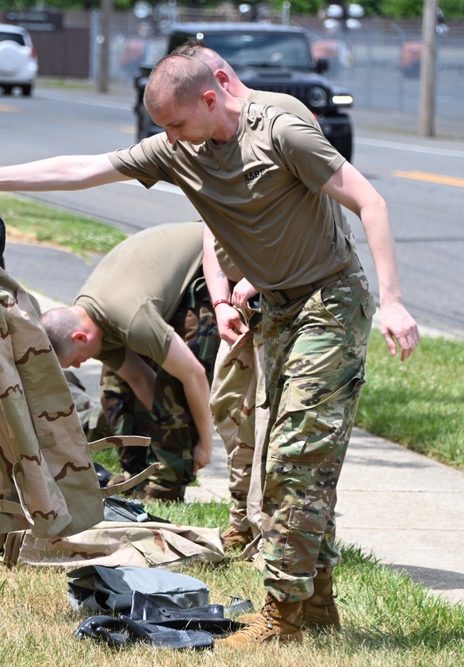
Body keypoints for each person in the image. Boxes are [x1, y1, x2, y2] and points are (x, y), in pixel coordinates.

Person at [0, 52, 419, 646]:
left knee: (296, 455)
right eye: (162, 129)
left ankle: (284, 618)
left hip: (331, 300)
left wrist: (394, 301)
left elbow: (369, 201)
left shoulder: (281, 132)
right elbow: (84, 168)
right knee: (291, 460)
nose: (168, 141)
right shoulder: (181, 148)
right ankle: (315, 603)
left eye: (176, 125)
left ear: (212, 100)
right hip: (276, 307)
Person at [178, 38, 361, 554]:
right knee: (233, 408)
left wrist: (254, 279)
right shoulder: (208, 141)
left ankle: (276, 535)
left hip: (289, 295)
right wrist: (219, 301)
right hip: (236, 303)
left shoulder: (281, 118)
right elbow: (210, 236)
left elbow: (309, 210)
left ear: (216, 83)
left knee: (284, 429)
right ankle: (241, 517)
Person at [40, 221, 218, 501]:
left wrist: (203, 443)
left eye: (73, 361)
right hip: (154, 288)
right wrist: (165, 427)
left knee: (174, 385)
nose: (76, 367)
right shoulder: (89, 322)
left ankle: (166, 488)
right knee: (115, 389)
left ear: (78, 338)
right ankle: (137, 475)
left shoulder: (130, 320)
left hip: (210, 263)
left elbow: (193, 375)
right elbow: (139, 379)